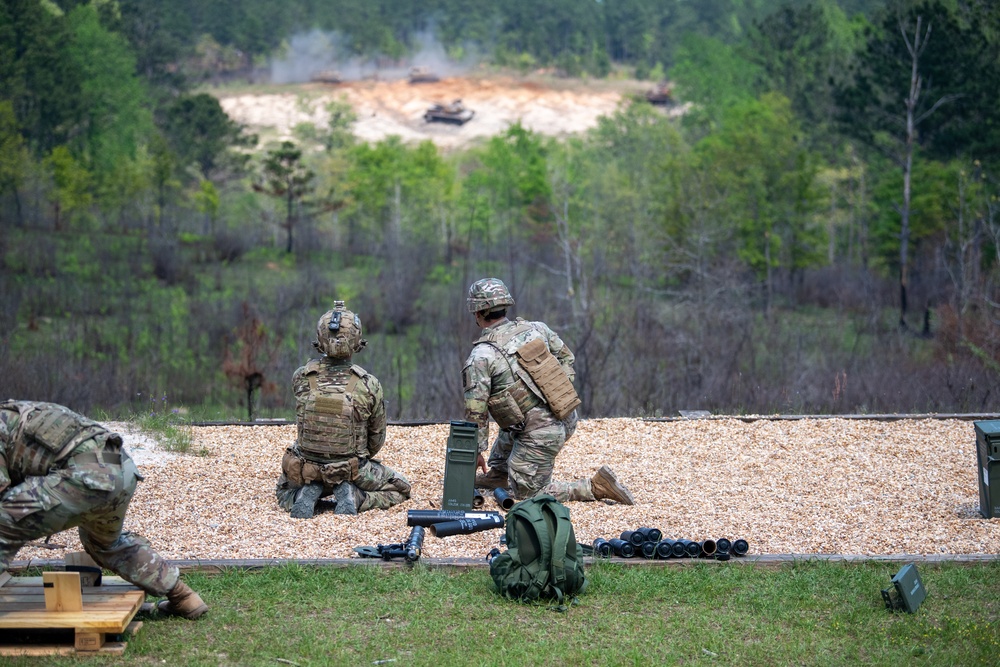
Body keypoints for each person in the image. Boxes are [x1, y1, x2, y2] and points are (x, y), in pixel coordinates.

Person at [0, 401, 208, 619]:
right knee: (106, 543)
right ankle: (184, 597)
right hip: (121, 469)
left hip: (85, 474)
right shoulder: (19, 411)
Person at [462, 278, 635, 505]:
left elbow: (476, 412)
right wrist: (555, 393)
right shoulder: (537, 329)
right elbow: (566, 357)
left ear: (478, 312)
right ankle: (499, 475)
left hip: (541, 436)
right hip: (566, 418)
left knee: (530, 496)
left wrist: (474, 451)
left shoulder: (481, 357)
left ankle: (595, 487)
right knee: (512, 413)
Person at [276, 301, 411, 519]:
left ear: (320, 342)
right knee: (401, 488)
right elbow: (376, 440)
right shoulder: (369, 384)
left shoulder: (302, 377)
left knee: (283, 492)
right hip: (351, 469)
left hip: (306, 467)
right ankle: (356, 496)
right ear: (357, 343)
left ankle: (306, 493)